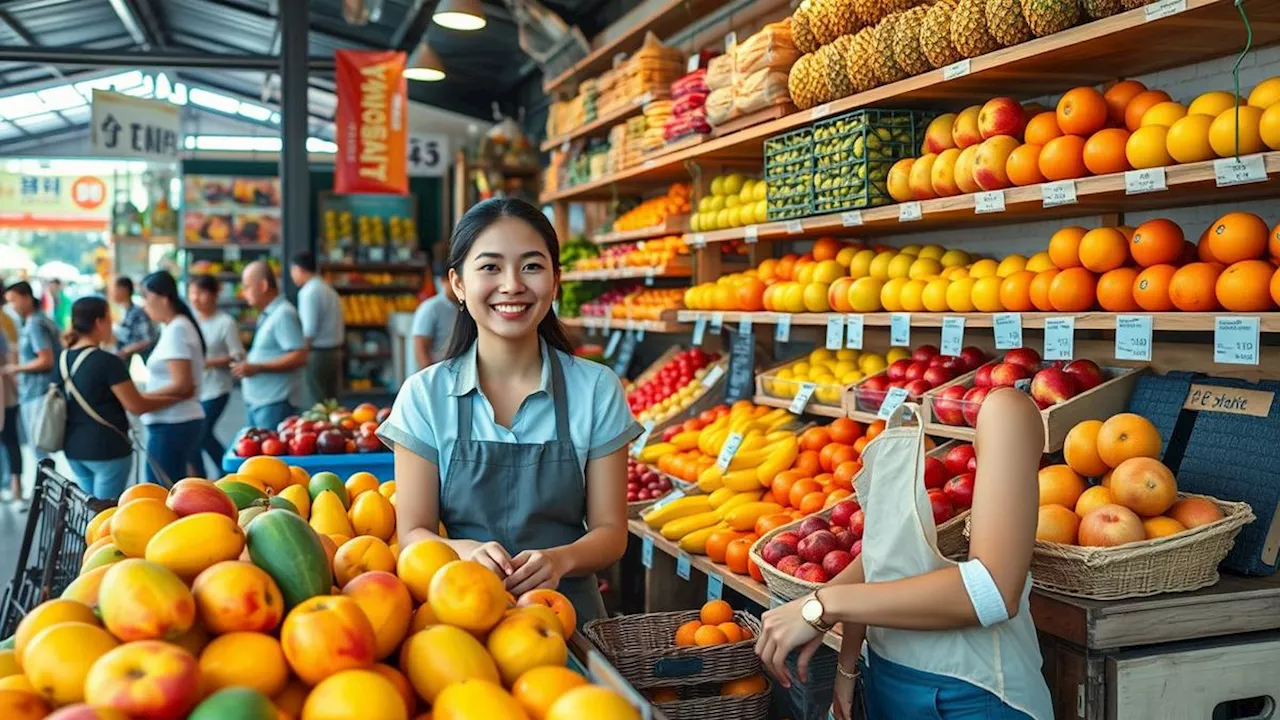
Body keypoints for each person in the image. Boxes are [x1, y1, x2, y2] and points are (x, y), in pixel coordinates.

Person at [377, 198, 642, 625]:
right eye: (490, 267)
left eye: (532, 266)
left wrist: (560, 560)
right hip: (459, 618)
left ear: (556, 281)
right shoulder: (423, 396)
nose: (512, 285)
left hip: (567, 620)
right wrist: (465, 551)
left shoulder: (596, 389)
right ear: (458, 284)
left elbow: (611, 533)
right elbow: (413, 533)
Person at [753, 391, 1054, 720]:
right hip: (887, 676)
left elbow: (993, 590)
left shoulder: (1005, 411)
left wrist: (825, 605)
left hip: (971, 695)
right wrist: (849, 664)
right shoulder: (913, 408)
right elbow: (883, 552)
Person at [59, 297, 182, 499]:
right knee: (105, 514)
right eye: (109, 319)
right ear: (99, 322)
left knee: (86, 511)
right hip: (107, 449)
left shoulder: (62, 359)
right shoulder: (108, 362)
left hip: (73, 449)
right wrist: (176, 397)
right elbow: (136, 405)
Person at [139, 271, 206, 484]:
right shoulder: (175, 326)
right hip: (172, 421)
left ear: (163, 297)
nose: (144, 305)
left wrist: (141, 398)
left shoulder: (178, 329)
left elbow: (183, 384)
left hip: (174, 422)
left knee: (161, 492)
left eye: (146, 297)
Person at [233, 261, 307, 431]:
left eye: (247, 287)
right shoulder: (268, 314)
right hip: (261, 401)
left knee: (270, 455)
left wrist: (258, 367)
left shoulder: (283, 314)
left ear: (263, 286)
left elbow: (300, 355)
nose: (244, 293)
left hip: (275, 402)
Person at [188, 274, 245, 473]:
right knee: (196, 435)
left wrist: (208, 363)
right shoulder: (190, 321)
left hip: (217, 388)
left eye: (201, 293)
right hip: (194, 389)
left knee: (200, 434)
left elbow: (237, 355)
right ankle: (201, 478)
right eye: (192, 293)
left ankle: (227, 472)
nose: (196, 298)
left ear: (214, 295)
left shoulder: (225, 322)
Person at [3, 281, 62, 464]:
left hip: (38, 392)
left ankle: (44, 491)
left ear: (26, 298)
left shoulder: (36, 323)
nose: (11, 306)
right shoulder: (39, 320)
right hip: (38, 391)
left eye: (14, 300)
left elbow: (46, 360)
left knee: (39, 450)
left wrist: (15, 368)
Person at [290, 251, 344, 407]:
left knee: (317, 403)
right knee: (332, 402)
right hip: (334, 351)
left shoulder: (309, 292)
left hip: (318, 354)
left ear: (298, 269)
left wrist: (301, 355)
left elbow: (309, 330)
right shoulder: (327, 289)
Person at [410, 266, 457, 370]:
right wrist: (430, 379)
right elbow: (421, 349)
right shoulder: (431, 307)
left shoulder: (465, 307)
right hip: (437, 371)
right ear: (444, 281)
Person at [0, 314, 21, 503]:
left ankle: (16, 491)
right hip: (7, 394)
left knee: (10, 440)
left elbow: (10, 358)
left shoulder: (5, 322)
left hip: (5, 394)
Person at [112, 276, 157, 363]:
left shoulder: (137, 313)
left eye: (115, 289)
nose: (113, 293)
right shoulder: (121, 312)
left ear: (124, 290)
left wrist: (126, 351)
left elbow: (148, 339)